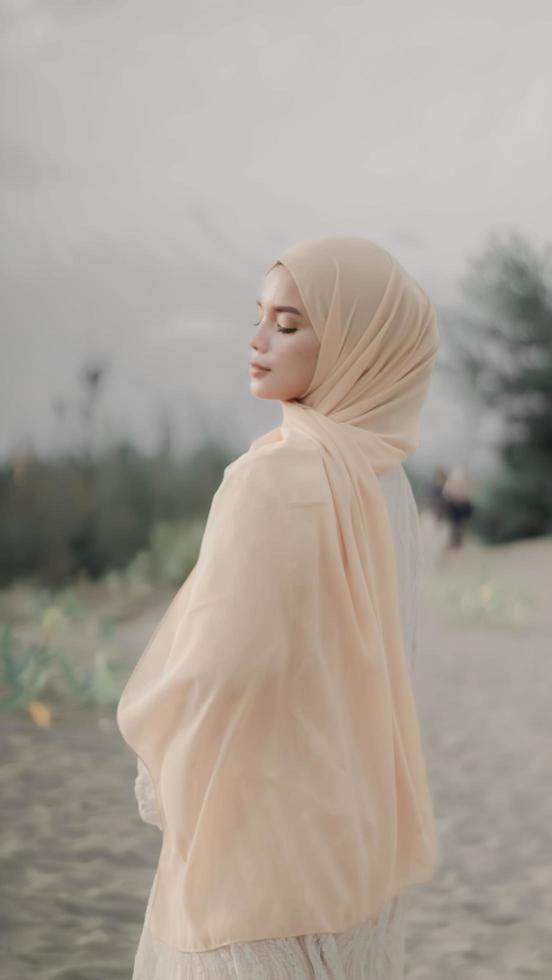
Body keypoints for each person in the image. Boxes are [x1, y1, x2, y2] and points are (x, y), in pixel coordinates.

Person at [116, 236, 440, 979]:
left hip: (255, 865)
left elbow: (214, 672)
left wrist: (156, 762)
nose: (258, 341)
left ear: (358, 344)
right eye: (258, 317)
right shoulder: (387, 478)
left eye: (288, 323)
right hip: (355, 847)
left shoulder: (274, 477)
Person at [441, 465, 474, 549]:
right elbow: (447, 493)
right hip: (456, 507)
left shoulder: (453, 482)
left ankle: (457, 542)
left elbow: (446, 493)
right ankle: (455, 542)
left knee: (458, 524)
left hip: (458, 507)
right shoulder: (453, 482)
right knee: (457, 524)